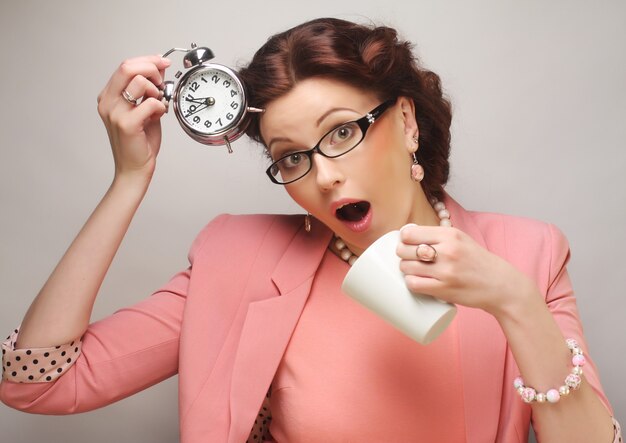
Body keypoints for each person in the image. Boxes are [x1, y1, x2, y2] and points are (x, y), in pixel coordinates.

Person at [0, 17, 621, 443]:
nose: (322, 175)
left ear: (405, 120)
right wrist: (129, 179)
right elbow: (35, 382)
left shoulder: (528, 255)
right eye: (292, 156)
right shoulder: (236, 261)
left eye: (343, 131)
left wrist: (514, 302)